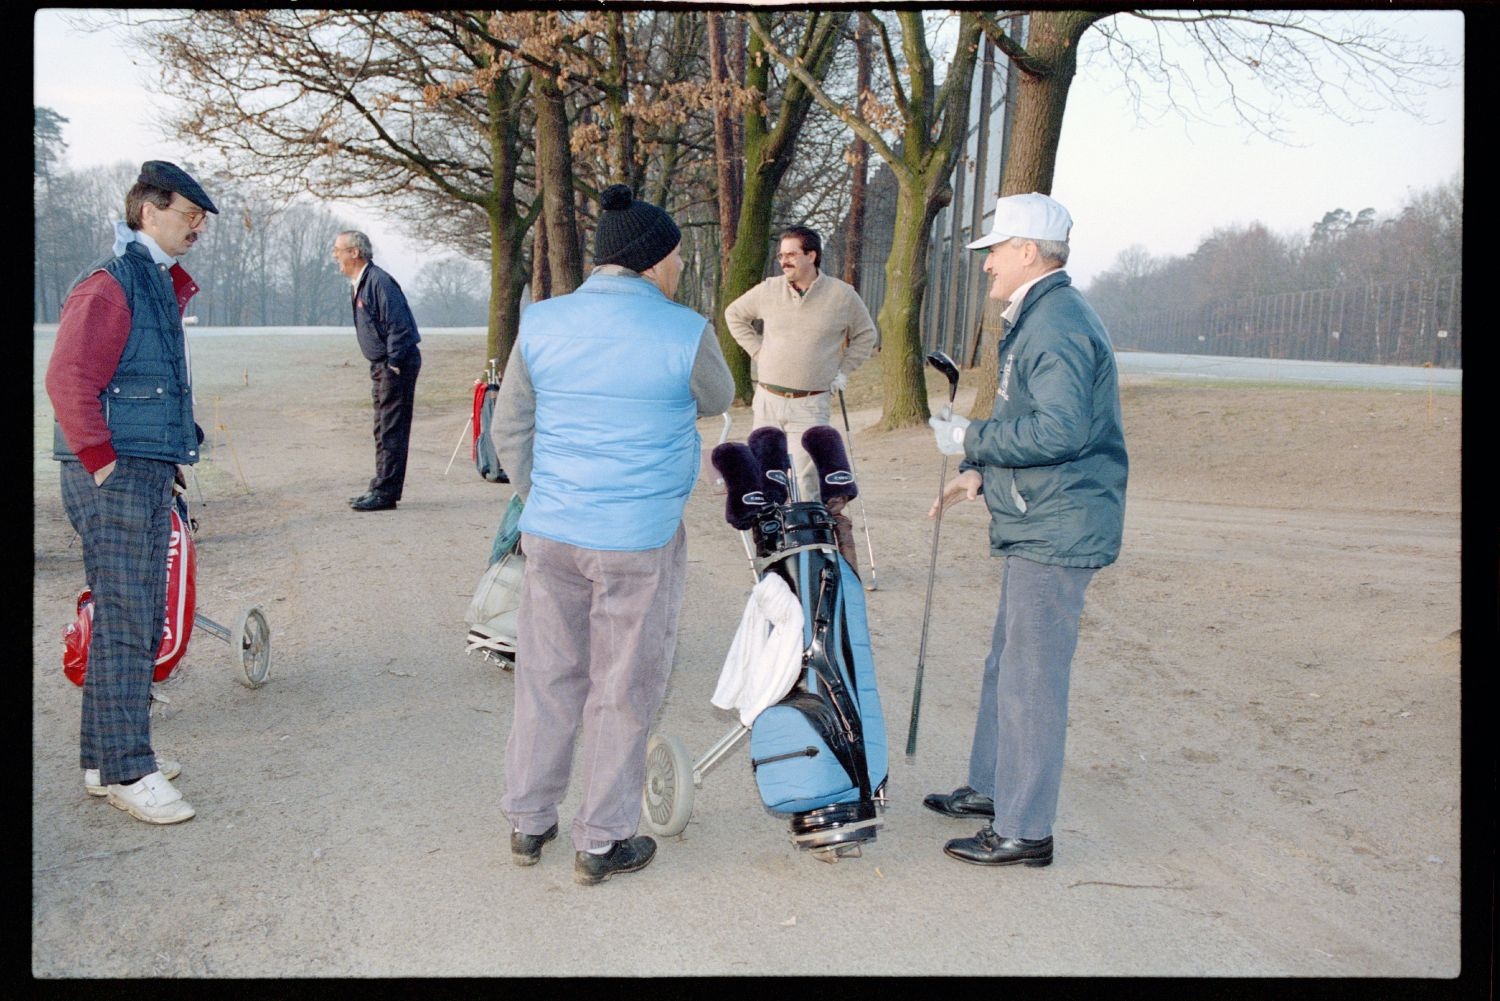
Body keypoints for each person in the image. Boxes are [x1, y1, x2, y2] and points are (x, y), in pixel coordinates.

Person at [490, 184, 734, 885]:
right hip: (638, 538)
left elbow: (510, 428)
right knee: (623, 686)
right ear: (652, 261)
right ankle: (601, 838)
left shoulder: (540, 323)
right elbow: (718, 397)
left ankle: (529, 820)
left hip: (555, 531)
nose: (682, 269)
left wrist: (546, 497)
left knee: (546, 675)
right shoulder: (684, 330)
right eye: (677, 258)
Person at [922, 192, 1129, 868]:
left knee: (1031, 679)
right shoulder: (1039, 314)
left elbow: (1063, 430)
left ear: (1028, 253)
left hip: (1058, 523)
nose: (986, 266)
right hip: (1038, 512)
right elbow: (1035, 416)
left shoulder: (1057, 321)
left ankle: (1026, 829)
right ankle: (993, 789)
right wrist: (977, 469)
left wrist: (971, 435)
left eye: (995, 252)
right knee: (1004, 665)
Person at [44, 160, 219, 825]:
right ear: (148, 211)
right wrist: (103, 463)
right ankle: (127, 767)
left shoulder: (153, 283)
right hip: (111, 473)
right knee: (127, 615)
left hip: (141, 468)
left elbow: (147, 384)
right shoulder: (112, 284)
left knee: (135, 613)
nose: (197, 226)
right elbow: (67, 381)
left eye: (202, 218)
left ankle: (100, 757)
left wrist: (167, 452)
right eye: (188, 214)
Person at [724, 225, 878, 504]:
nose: (784, 261)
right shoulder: (769, 289)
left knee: (804, 480)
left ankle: (806, 543)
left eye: (791, 254)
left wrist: (843, 370)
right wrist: (758, 351)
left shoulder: (842, 295)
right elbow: (734, 314)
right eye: (781, 255)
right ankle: (771, 542)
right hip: (768, 400)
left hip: (810, 404)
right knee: (765, 475)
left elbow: (866, 334)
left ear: (812, 255)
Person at [333, 230, 422, 512]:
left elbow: (399, 325)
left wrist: (394, 363)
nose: (335, 255)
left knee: (391, 428)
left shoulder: (379, 282)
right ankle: (380, 485)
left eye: (339, 250)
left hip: (395, 364)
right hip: (381, 364)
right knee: (382, 427)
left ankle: (386, 493)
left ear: (355, 253)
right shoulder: (362, 282)